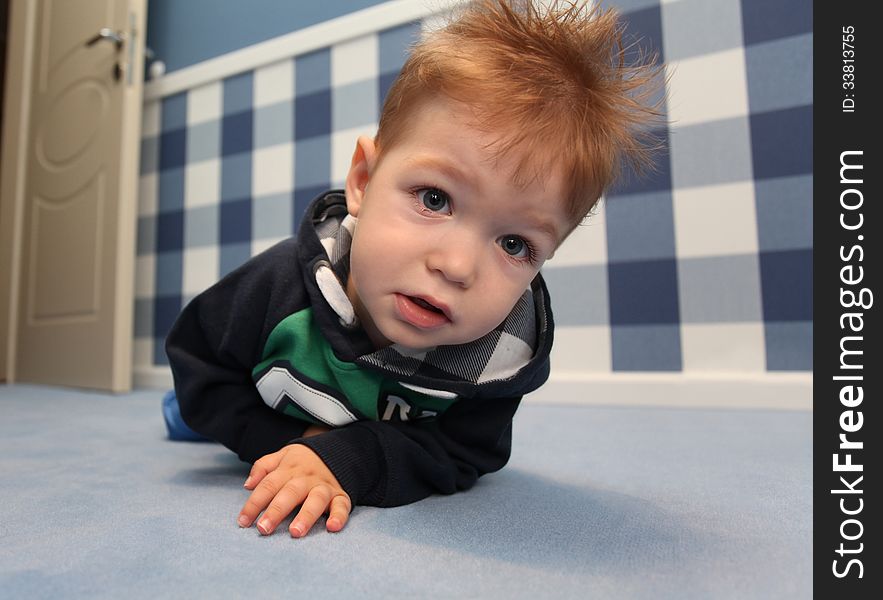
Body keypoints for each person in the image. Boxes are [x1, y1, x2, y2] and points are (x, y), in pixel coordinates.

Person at [165, 0, 663, 539]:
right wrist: (287, 446)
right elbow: (200, 364)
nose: (455, 266)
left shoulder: (494, 357)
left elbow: (464, 452)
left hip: (360, 422)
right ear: (363, 180)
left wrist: (350, 459)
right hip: (266, 388)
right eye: (434, 198)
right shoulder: (277, 285)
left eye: (515, 243)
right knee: (185, 413)